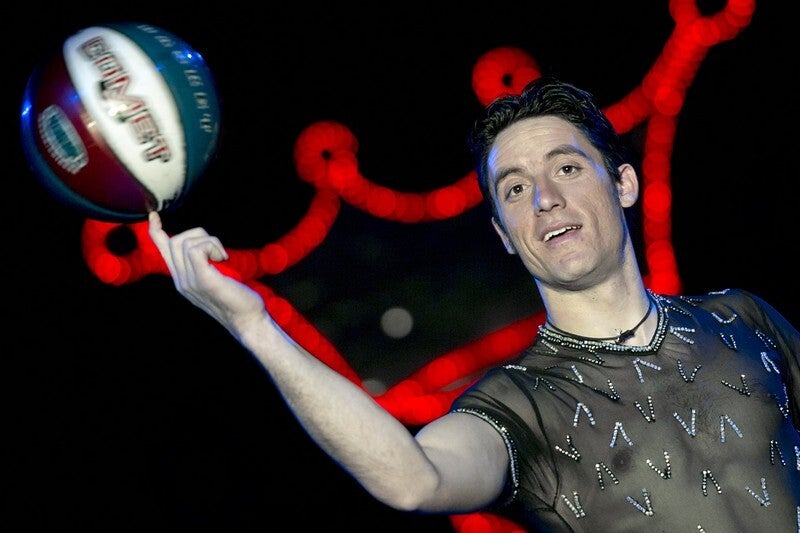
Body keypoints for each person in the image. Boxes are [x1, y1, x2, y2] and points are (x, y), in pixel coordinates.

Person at [148, 77, 799, 532]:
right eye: (514, 188)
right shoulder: (520, 405)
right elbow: (415, 479)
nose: (544, 199)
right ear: (504, 234)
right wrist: (256, 327)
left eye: (567, 168)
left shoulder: (741, 317)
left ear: (624, 183)